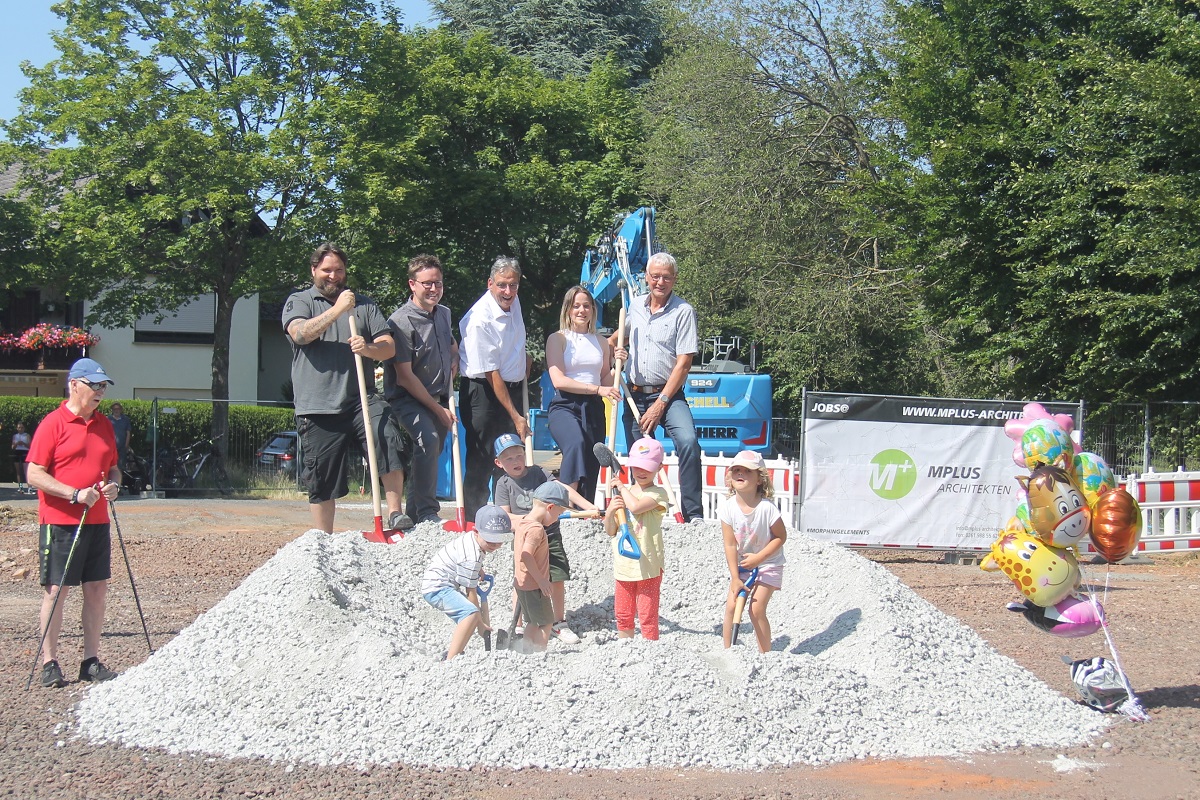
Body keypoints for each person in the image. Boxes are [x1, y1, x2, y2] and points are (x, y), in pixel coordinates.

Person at [283, 242, 411, 534]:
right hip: (318, 404)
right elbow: (300, 334)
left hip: (360, 399)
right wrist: (339, 309)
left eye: (338, 270)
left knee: (387, 435)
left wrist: (367, 348)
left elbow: (388, 348)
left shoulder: (364, 305)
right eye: (327, 270)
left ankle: (394, 515)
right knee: (321, 475)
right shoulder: (300, 301)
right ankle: (323, 538)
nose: (333, 276)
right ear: (314, 270)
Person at [27, 358, 122, 687]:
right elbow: (34, 473)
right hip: (61, 521)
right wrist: (72, 493)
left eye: (103, 386)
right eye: (95, 385)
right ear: (74, 385)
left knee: (97, 589)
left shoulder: (105, 425)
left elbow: (113, 467)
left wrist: (115, 484)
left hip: (98, 520)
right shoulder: (52, 424)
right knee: (57, 591)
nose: (101, 391)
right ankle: (50, 662)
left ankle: (90, 661)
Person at [613, 252, 704, 523]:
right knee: (638, 455)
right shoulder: (635, 307)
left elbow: (684, 363)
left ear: (674, 279)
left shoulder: (683, 312)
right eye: (655, 276)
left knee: (688, 442)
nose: (660, 282)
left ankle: (692, 514)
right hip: (635, 395)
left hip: (669, 395)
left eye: (666, 277)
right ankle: (638, 512)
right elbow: (618, 337)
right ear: (646, 278)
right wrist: (612, 352)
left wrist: (660, 403)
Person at [491, 432, 598, 644]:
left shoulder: (539, 472)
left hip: (551, 535)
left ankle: (559, 623)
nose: (516, 461)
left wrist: (587, 506)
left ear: (525, 454)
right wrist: (529, 520)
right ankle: (518, 625)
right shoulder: (503, 484)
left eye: (519, 455)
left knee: (556, 578)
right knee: (522, 581)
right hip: (525, 537)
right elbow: (504, 515)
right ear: (499, 462)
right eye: (508, 458)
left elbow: (562, 489)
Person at [385, 254, 458, 525]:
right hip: (408, 398)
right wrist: (437, 409)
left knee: (429, 454)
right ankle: (428, 511)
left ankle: (415, 517)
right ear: (412, 285)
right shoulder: (400, 322)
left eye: (437, 283)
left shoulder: (444, 314)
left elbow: (452, 345)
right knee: (427, 440)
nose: (433, 289)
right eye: (427, 283)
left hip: (438, 394)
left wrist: (455, 359)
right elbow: (404, 376)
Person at [458, 256, 531, 521]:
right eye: (502, 285)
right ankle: (473, 521)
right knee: (483, 457)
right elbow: (492, 373)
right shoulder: (479, 319)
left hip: (511, 387)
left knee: (511, 456)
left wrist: (523, 361)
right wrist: (516, 416)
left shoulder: (514, 300)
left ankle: (506, 516)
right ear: (490, 284)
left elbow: (513, 342)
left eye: (513, 285)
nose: (508, 292)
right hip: (483, 392)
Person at [545, 285, 620, 505]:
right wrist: (597, 389)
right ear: (568, 310)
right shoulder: (558, 339)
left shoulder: (601, 342)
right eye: (576, 305)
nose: (581, 310)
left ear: (592, 310)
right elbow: (559, 380)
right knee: (575, 444)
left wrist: (618, 365)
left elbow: (605, 378)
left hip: (594, 408)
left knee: (591, 458)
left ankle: (584, 511)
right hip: (565, 405)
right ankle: (564, 503)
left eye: (586, 306)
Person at [421, 504, 512, 661]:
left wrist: (478, 570)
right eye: (490, 540)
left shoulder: (473, 543)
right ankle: (451, 659)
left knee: (470, 616)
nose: (495, 545)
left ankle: (456, 652)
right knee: (470, 614)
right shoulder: (471, 557)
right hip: (437, 588)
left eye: (500, 540)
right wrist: (480, 623)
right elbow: (471, 591)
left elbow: (471, 562)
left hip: (441, 583)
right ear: (476, 531)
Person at [718, 450, 787, 652]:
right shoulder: (727, 509)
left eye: (747, 471)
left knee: (756, 609)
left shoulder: (768, 509)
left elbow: (781, 537)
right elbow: (730, 544)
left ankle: (766, 654)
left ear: (760, 479)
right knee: (731, 607)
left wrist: (759, 557)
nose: (741, 474)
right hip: (743, 566)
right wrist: (734, 576)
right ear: (730, 478)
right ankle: (727, 651)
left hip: (768, 563)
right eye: (737, 470)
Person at [604, 437, 669, 640]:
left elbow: (637, 507)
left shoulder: (659, 494)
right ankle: (626, 649)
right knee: (623, 614)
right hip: (624, 565)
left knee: (647, 615)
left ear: (659, 467)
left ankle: (650, 654)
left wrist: (622, 489)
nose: (641, 472)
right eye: (636, 467)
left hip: (648, 565)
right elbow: (611, 530)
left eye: (647, 468)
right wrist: (610, 513)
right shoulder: (625, 494)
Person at [511, 481, 568, 653]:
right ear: (550, 507)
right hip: (534, 585)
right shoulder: (536, 529)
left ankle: (526, 650)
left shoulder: (523, 522)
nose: (557, 519)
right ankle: (539, 652)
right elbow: (526, 555)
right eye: (559, 514)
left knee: (534, 621)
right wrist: (542, 580)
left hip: (522, 584)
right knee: (546, 622)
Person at [106, 402, 132, 472]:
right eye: (114, 409)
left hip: (122, 447)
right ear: (112, 410)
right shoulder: (108, 419)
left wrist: (126, 445)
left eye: (118, 409)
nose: (116, 410)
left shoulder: (125, 419)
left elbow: (128, 432)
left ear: (121, 410)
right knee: (110, 466)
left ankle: (121, 482)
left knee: (121, 466)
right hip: (111, 447)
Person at [11, 421, 32, 494]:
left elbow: (30, 446)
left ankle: (30, 487)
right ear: (17, 428)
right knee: (18, 471)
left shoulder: (27, 435)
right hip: (17, 452)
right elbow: (13, 447)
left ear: (24, 428)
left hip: (25, 452)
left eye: (22, 427)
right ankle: (20, 487)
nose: (21, 429)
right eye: (19, 428)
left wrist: (23, 443)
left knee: (26, 470)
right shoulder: (15, 436)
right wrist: (16, 444)